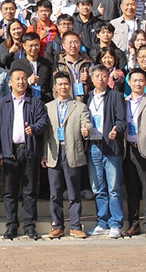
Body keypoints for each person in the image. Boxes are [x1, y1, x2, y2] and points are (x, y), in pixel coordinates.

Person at [0, 68, 48, 240]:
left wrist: (34, 128)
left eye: (24, 78)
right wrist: (0, 152)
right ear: (10, 82)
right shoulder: (2, 103)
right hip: (10, 152)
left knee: (29, 191)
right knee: (10, 192)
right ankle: (11, 225)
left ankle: (29, 226)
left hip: (29, 151)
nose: (21, 82)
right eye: (17, 79)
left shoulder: (35, 102)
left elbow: (43, 122)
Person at [43, 71, 91, 239]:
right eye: (60, 84)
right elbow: (45, 134)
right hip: (54, 154)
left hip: (72, 153)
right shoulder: (48, 107)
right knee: (55, 193)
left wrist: (86, 130)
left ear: (70, 86)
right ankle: (58, 226)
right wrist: (44, 155)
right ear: (55, 87)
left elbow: (87, 122)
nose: (63, 87)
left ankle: (76, 226)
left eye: (66, 84)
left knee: (74, 193)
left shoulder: (80, 106)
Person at [85, 64, 126, 239]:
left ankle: (116, 223)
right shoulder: (87, 97)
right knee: (98, 187)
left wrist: (117, 130)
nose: (100, 79)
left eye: (103, 75)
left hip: (111, 146)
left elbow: (122, 120)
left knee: (114, 188)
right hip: (93, 146)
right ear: (92, 78)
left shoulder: (116, 96)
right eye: (97, 76)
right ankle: (102, 222)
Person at [121, 69, 146, 238]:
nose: (138, 83)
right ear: (129, 83)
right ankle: (133, 224)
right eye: (135, 80)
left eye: (141, 80)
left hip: (144, 149)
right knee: (132, 189)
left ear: (145, 83)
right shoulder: (123, 101)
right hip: (128, 149)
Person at [11, 32, 54, 104]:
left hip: (45, 102)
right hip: (26, 102)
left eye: (36, 45)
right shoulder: (17, 65)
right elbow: (13, 86)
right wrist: (28, 81)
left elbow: (50, 84)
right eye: (31, 46)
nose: (34, 48)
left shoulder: (46, 63)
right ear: (24, 46)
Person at [53, 31, 92, 102]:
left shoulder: (87, 62)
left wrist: (88, 79)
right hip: (66, 103)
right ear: (63, 45)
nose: (73, 46)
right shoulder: (58, 64)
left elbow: (96, 84)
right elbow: (54, 87)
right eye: (70, 43)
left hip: (85, 103)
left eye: (76, 42)